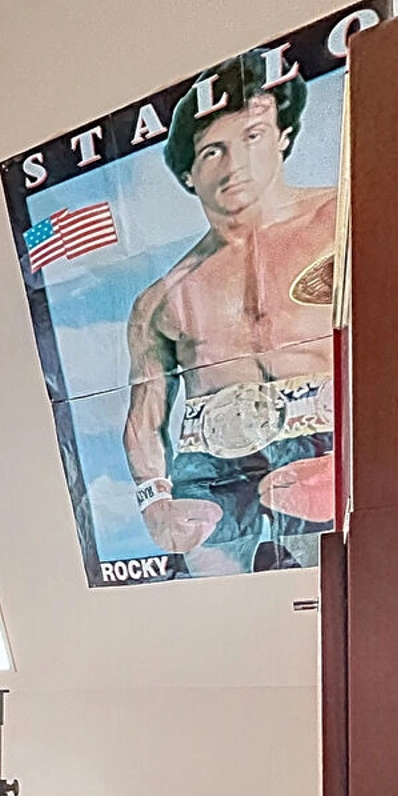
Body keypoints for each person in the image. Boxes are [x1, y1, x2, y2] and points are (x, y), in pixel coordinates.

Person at [124, 50, 338, 572]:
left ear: (284, 136)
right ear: (188, 175)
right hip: (210, 466)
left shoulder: (343, 220)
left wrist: (361, 457)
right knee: (213, 600)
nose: (234, 163)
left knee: (346, 596)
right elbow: (145, 416)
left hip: (330, 443)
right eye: (212, 151)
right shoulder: (161, 299)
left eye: (252, 136)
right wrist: (154, 501)